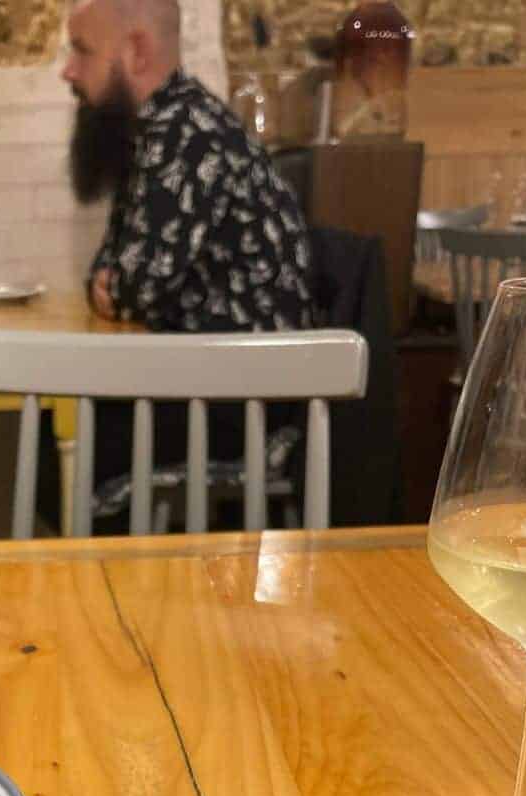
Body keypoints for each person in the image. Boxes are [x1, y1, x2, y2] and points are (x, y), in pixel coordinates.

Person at [60, 0, 314, 522]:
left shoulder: (188, 137)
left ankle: (107, 589)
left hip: (242, 404)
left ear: (135, 50)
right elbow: (110, 269)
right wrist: (114, 284)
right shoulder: (158, 129)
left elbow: (131, 286)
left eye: (82, 51)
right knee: (57, 427)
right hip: (207, 381)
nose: (68, 70)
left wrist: (118, 285)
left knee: (60, 432)